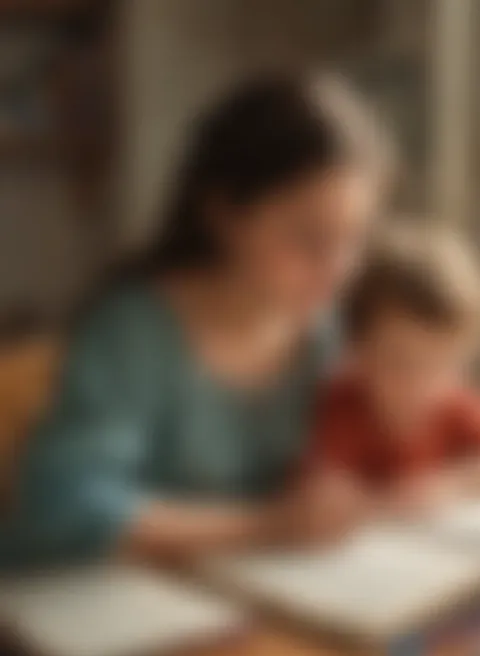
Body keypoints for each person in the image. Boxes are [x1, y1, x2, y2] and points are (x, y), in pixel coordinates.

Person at [0, 72, 390, 569]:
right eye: (307, 238)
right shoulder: (133, 331)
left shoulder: (323, 331)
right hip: (82, 602)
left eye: (354, 239)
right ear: (224, 214)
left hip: (237, 595)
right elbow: (65, 508)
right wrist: (269, 524)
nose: (337, 270)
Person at [300, 221, 480, 515]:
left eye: (442, 365)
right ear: (357, 351)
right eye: (399, 363)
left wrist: (456, 485)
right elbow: (321, 497)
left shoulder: (455, 408)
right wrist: (389, 501)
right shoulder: (342, 411)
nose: (421, 383)